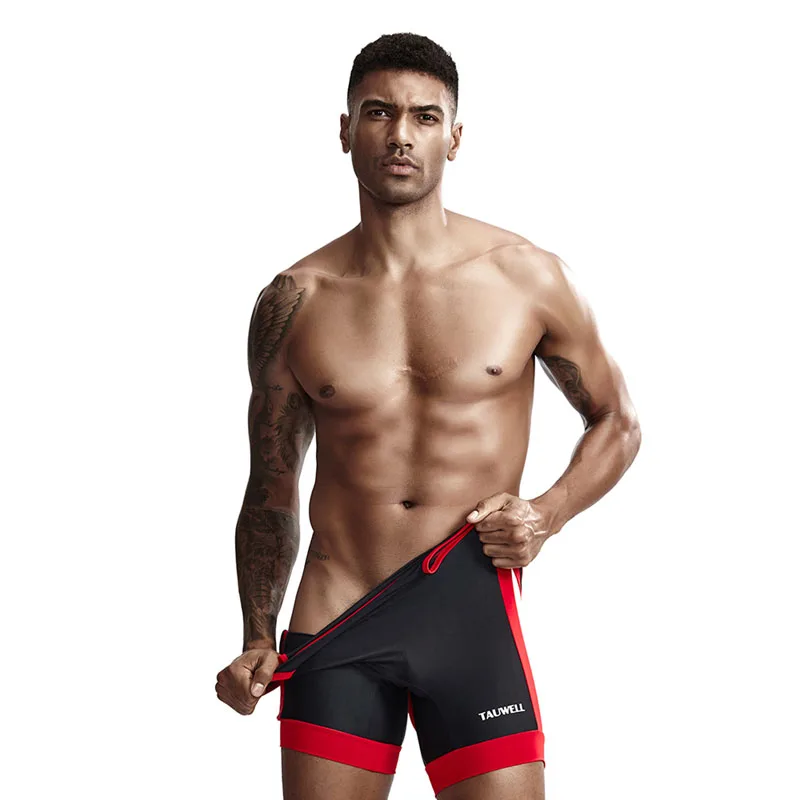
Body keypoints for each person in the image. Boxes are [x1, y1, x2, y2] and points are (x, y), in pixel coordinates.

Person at [215, 32, 642, 800]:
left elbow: (618, 419)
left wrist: (546, 514)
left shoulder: (528, 278)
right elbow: (271, 489)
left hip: (470, 609)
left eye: (424, 116)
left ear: (455, 136)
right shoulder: (294, 301)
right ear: (345, 130)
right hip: (337, 611)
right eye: (379, 112)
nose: (400, 135)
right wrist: (254, 634)